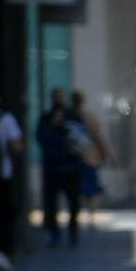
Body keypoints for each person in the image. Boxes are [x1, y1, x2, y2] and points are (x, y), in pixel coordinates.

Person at [34, 91, 85, 249]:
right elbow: (41, 138)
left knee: (74, 203)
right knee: (51, 204)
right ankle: (54, 232)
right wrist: (52, 126)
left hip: (70, 168)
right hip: (53, 168)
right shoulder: (46, 118)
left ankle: (73, 231)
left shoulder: (72, 119)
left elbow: (81, 141)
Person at [0, 80, 24, 271]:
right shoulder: (5, 119)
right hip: (0, 174)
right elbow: (16, 146)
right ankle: (0, 252)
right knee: (3, 214)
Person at [69, 91, 109, 210]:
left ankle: (84, 209)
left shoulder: (68, 116)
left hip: (76, 157)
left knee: (82, 186)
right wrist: (105, 153)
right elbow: (98, 137)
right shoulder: (86, 116)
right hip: (87, 157)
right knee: (89, 186)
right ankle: (89, 210)